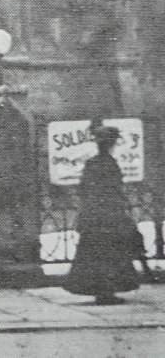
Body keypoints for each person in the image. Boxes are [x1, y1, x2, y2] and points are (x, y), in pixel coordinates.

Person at [63, 125, 140, 305]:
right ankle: (106, 292)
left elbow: (83, 189)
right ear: (111, 144)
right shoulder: (110, 163)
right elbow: (115, 191)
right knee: (110, 253)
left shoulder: (91, 163)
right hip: (110, 215)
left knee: (94, 253)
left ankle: (101, 291)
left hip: (93, 216)